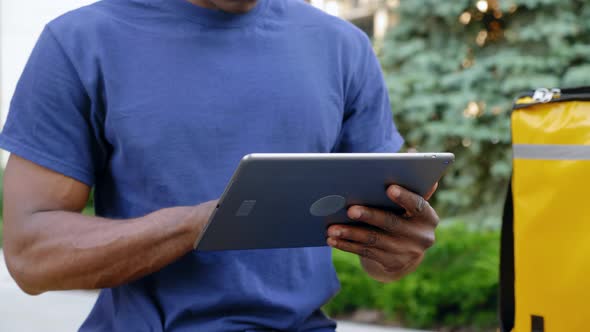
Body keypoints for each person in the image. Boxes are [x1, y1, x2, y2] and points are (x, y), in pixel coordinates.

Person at [0, 0, 440, 331]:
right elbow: (31, 255)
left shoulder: (343, 46)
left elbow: (382, 249)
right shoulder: (79, 41)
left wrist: (395, 254)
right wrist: (202, 224)